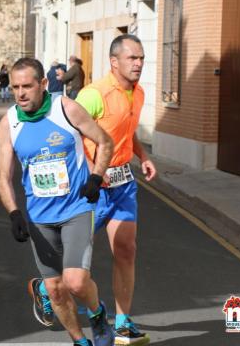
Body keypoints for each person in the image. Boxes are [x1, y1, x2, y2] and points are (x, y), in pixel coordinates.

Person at [31, 35, 157, 345]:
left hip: (124, 184)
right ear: (115, 62)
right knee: (71, 264)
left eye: (141, 58)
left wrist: (144, 156)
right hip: (91, 187)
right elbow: (64, 131)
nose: (139, 63)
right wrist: (87, 172)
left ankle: (124, 324)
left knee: (127, 250)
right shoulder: (94, 95)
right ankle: (44, 287)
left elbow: (125, 131)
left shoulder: (138, 93)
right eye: (132, 58)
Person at [0, 57, 115, 346]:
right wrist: (14, 213)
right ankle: (80, 341)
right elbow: (3, 176)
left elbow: (106, 142)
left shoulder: (66, 109)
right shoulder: (9, 123)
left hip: (76, 209)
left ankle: (98, 316)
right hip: (39, 217)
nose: (21, 93)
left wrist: (96, 177)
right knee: (55, 290)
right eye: (15, 87)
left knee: (75, 281)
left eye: (27, 86)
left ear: (44, 84)